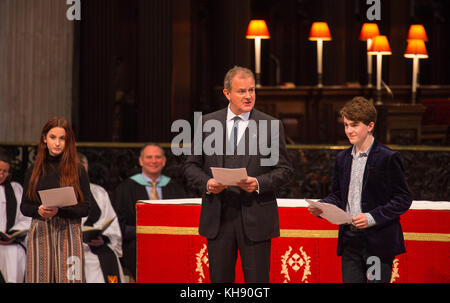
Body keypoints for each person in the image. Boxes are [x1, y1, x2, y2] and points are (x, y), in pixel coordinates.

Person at [183, 66, 293, 283]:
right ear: (227, 94)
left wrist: (258, 183)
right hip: (218, 218)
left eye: (252, 90)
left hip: (256, 218)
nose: (248, 96)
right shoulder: (206, 124)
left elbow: (285, 170)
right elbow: (190, 166)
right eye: (242, 91)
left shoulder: (270, 125)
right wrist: (208, 183)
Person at [308, 96, 412, 283]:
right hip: (350, 241)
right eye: (346, 125)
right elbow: (339, 195)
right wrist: (322, 207)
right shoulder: (342, 158)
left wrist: (371, 217)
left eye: (354, 125)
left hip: (377, 243)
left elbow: (403, 199)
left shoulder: (387, 157)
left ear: (370, 126)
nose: (349, 130)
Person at [20, 117, 91, 283]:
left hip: (69, 231)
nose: (57, 143)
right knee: (39, 278)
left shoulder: (77, 169)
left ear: (68, 141)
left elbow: (86, 208)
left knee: (70, 280)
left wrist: (60, 210)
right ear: (45, 139)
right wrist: (38, 210)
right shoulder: (35, 169)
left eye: (62, 138)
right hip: (41, 229)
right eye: (53, 137)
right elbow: (24, 206)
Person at [113, 143, 186, 280]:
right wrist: (145, 232)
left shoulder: (175, 188)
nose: (153, 161)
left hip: (171, 245)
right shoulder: (125, 189)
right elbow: (118, 223)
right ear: (141, 161)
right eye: (149, 157)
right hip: (137, 245)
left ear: (164, 161)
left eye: (158, 157)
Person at [78, 152, 125, 283]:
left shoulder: (99, 192)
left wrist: (103, 238)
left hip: (99, 248)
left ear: (86, 167)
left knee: (108, 257)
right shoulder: (61, 193)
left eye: (82, 166)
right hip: (72, 250)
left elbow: (112, 223)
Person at [0, 150, 31, 283]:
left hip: (13, 245)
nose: (1, 174)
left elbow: (26, 217)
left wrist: (14, 233)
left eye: (5, 171)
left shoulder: (16, 188)